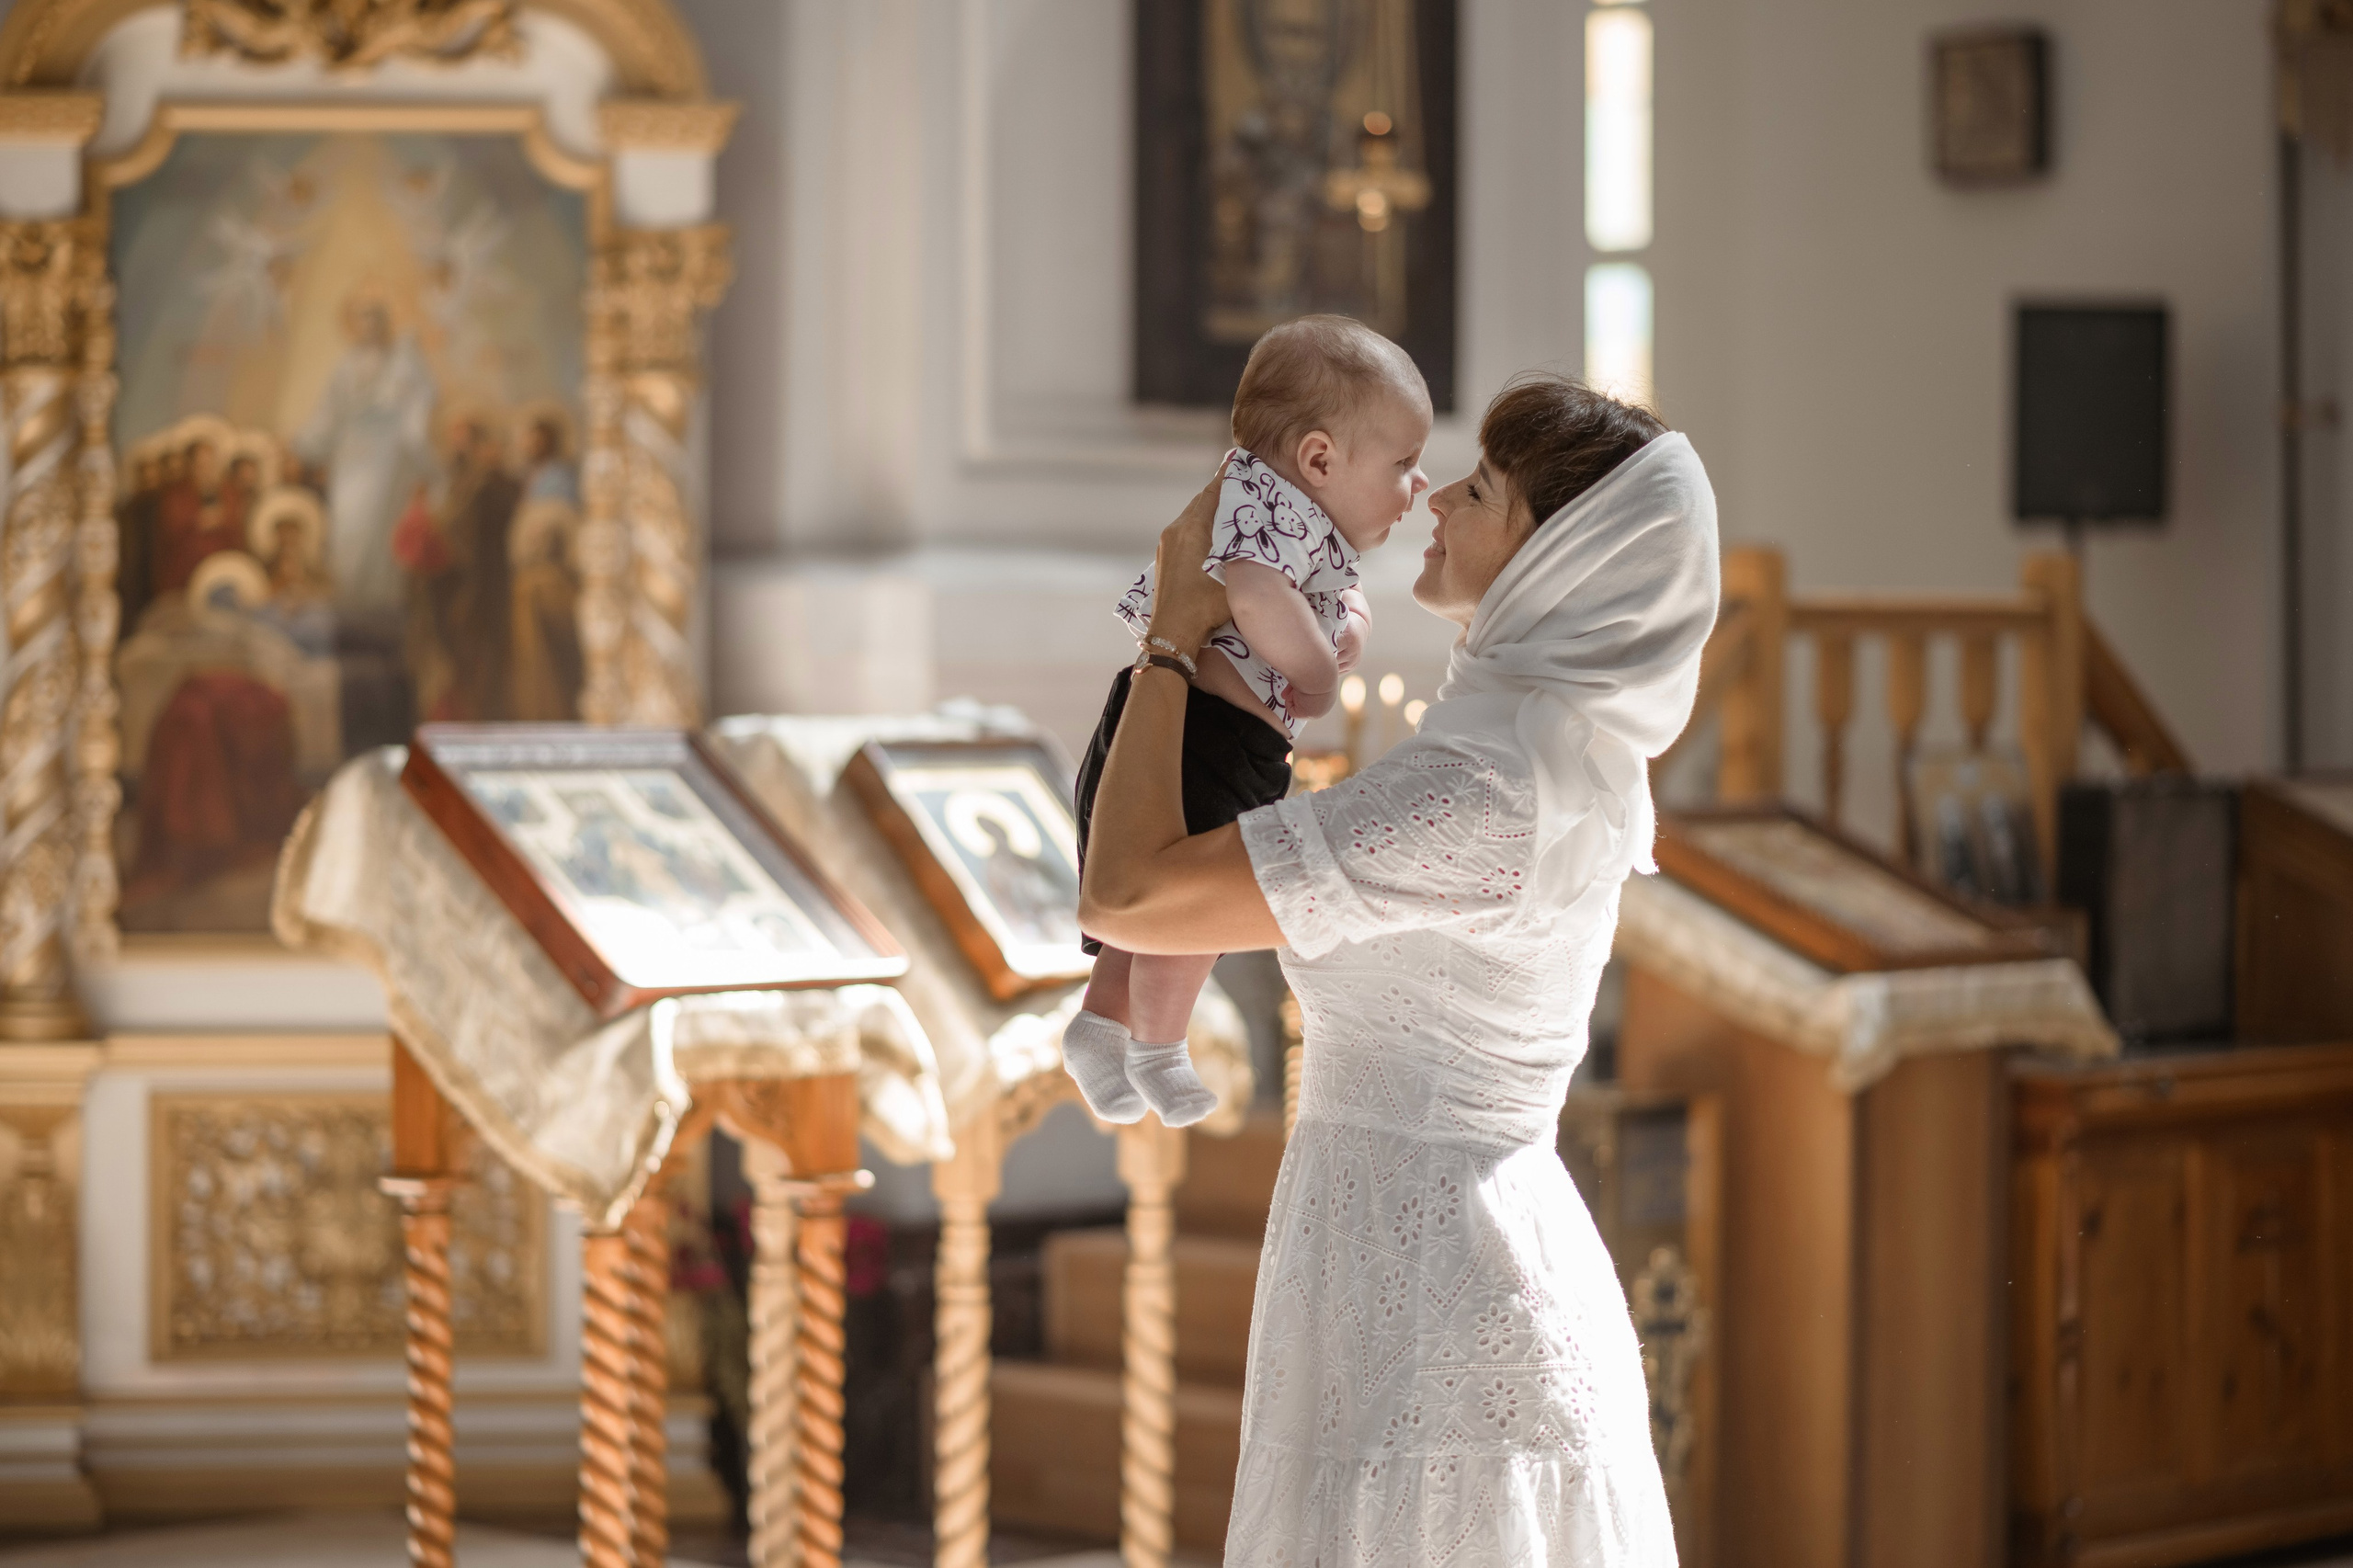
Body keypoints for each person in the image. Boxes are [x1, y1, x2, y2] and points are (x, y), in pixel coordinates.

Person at [1079, 373, 1719, 1564]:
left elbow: (1126, 895)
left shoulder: (1481, 789)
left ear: (1548, 554)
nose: (1436, 503)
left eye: (1478, 490)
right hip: (1416, 1253)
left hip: (1448, 1302)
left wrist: (1170, 634)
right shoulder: (1532, 742)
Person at [1065, 314, 1425, 1130]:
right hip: (1206, 733)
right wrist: (1319, 674)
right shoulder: (1266, 511)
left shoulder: (1296, 517)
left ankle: (1101, 1025)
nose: (1421, 486)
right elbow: (1257, 593)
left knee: (1161, 905)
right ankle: (1157, 1047)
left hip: (1212, 729)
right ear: (1320, 460)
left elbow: (1333, 597)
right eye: (1404, 463)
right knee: (1185, 903)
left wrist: (1350, 620)